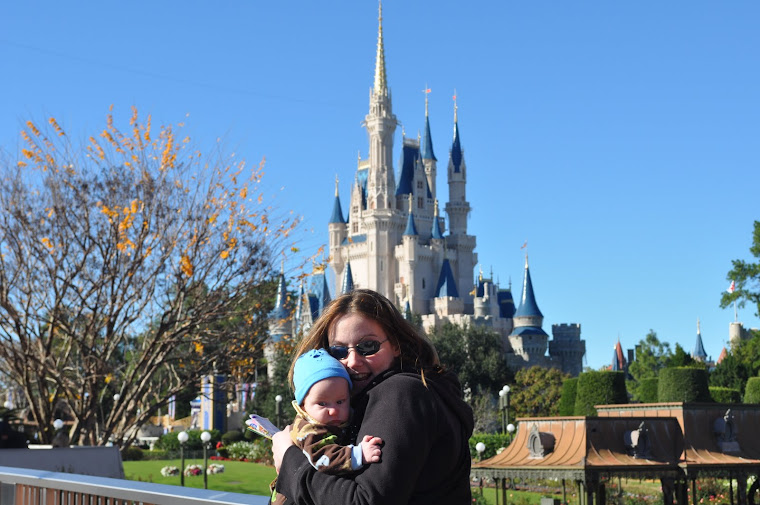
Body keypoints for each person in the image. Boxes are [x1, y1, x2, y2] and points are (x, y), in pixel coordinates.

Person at [272, 289, 474, 505]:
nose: (352, 361)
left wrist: (290, 463)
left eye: (368, 347)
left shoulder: (401, 393)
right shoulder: (364, 402)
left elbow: (365, 501)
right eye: (339, 351)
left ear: (396, 344)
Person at [271, 348, 383, 505]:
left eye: (340, 401)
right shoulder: (309, 430)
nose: (333, 410)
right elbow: (322, 456)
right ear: (303, 405)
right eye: (322, 403)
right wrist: (358, 454)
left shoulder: (327, 419)